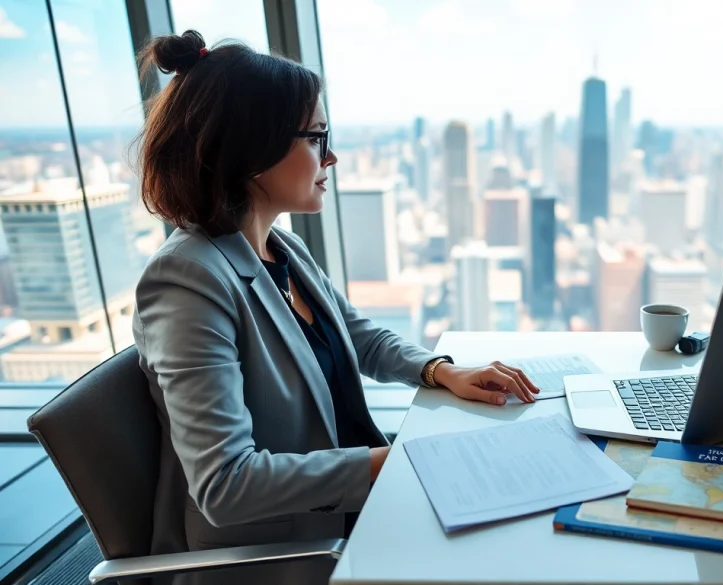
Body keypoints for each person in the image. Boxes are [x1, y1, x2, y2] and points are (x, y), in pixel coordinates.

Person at [132, 31, 540, 585]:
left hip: (353, 513)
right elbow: (225, 485)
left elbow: (357, 335)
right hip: (289, 554)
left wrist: (440, 371)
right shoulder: (187, 281)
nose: (332, 156)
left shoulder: (280, 245)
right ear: (253, 148)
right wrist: (402, 464)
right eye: (317, 137)